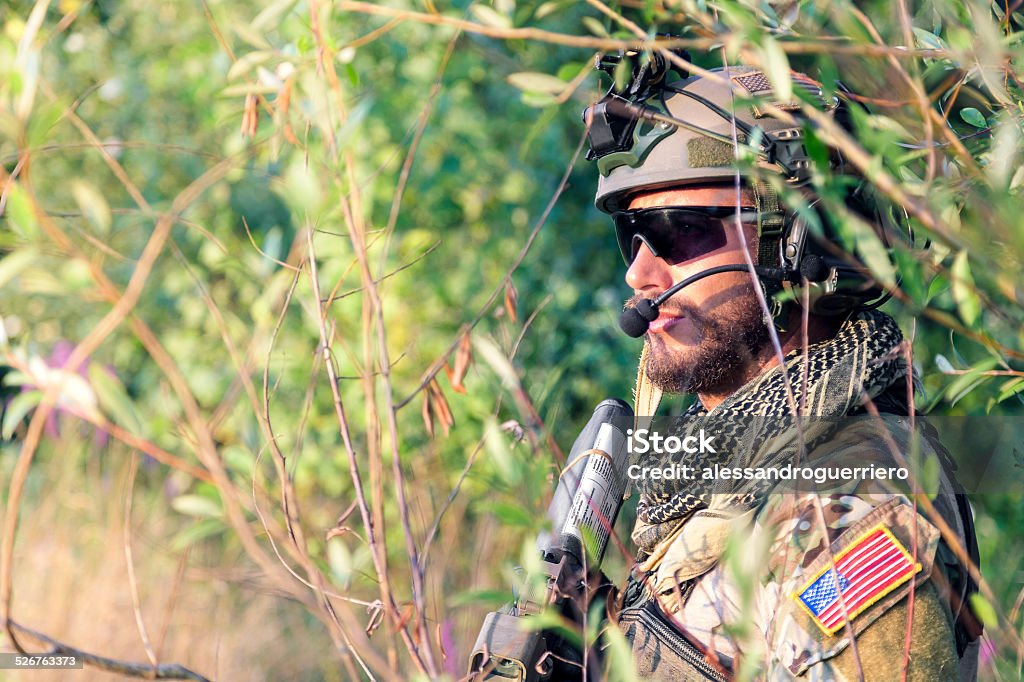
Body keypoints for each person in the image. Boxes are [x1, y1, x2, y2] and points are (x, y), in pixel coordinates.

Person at [584, 59, 982, 680]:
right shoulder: (730, 474)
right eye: (630, 234)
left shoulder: (850, 500)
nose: (641, 275)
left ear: (807, 240)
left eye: (681, 232)